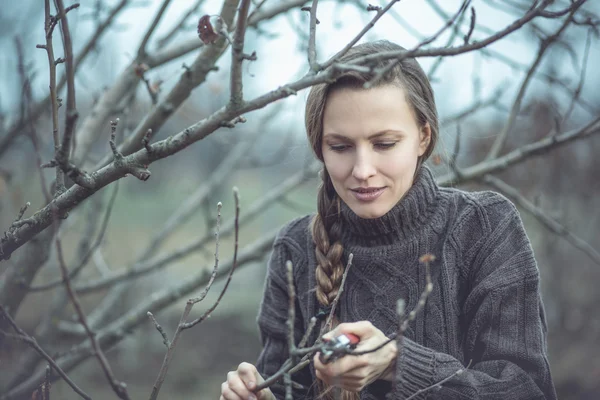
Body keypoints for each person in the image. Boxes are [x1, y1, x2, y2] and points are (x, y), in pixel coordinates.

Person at [219, 40, 557, 400]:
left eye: (384, 144)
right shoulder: (295, 251)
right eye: (340, 147)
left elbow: (526, 388)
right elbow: (288, 388)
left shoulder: (485, 229)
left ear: (423, 137)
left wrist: (398, 363)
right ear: (320, 147)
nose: (363, 171)